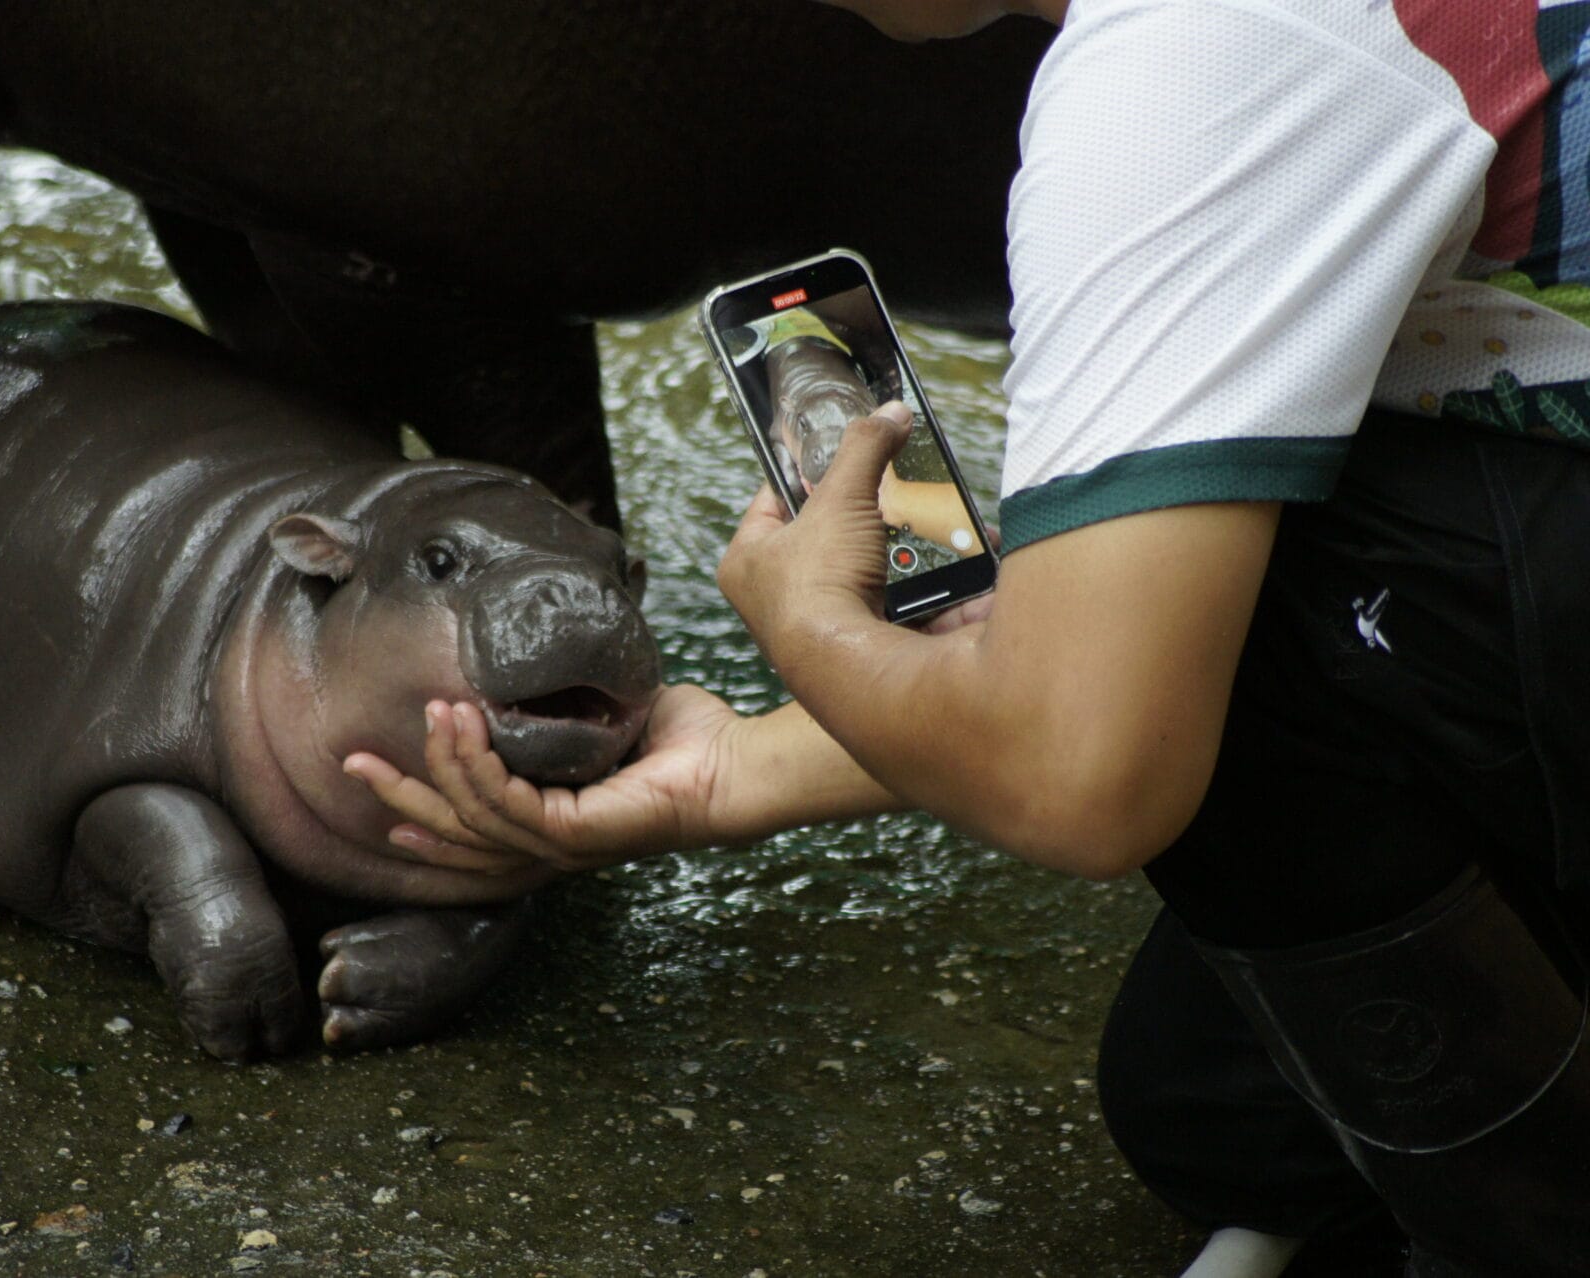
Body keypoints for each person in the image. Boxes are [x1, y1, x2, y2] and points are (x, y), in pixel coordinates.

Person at [344, 1, 1590, 1273]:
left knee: (1261, 578)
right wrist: (735, 771)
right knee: (1217, 1111)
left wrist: (810, 628)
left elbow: (1083, 772)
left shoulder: (1183, 69)